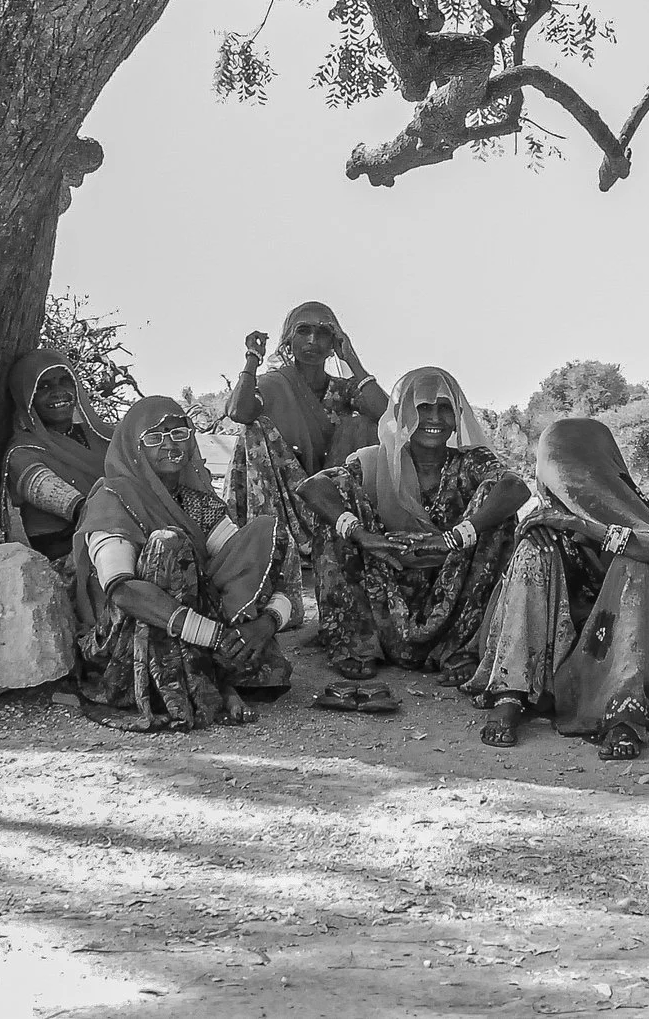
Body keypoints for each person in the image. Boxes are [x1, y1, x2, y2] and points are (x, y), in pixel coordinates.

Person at [72, 395, 295, 731]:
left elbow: (245, 570)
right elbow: (122, 591)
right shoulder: (113, 499)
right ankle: (213, 684)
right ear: (133, 447)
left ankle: (221, 673)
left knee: (266, 533)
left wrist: (262, 626)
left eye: (179, 433)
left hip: (199, 628)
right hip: (132, 636)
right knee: (169, 543)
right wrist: (216, 637)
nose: (169, 445)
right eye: (155, 437)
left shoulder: (199, 503)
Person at [465, 416, 649, 761]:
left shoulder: (632, 509)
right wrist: (553, 529)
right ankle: (512, 693)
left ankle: (623, 710)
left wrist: (584, 526)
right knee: (534, 550)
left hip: (614, 645)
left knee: (635, 563)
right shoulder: (544, 519)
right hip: (551, 649)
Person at [297, 366, 529, 683]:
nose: (434, 418)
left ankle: (462, 649)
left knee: (498, 505)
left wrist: (452, 539)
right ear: (403, 414)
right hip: (386, 597)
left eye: (444, 408)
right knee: (336, 516)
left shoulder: (470, 463)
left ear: (457, 415)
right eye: (423, 408)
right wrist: (363, 535)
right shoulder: (372, 461)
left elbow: (516, 488)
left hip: (453, 596)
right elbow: (312, 487)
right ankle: (354, 645)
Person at [227, 302, 389, 599]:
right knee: (255, 427)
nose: (312, 341)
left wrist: (352, 359)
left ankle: (340, 534)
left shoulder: (342, 390)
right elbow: (239, 410)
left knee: (361, 424)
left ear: (333, 344)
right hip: (284, 495)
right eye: (303, 331)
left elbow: (389, 418)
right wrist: (252, 360)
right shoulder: (275, 383)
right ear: (289, 338)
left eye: (323, 333)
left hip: (327, 496)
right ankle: (268, 541)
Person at [0, 349, 113, 564]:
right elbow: (69, 503)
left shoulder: (103, 437)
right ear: (27, 398)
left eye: (64, 381)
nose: (58, 392)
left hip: (118, 532)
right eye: (44, 386)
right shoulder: (21, 452)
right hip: (67, 551)